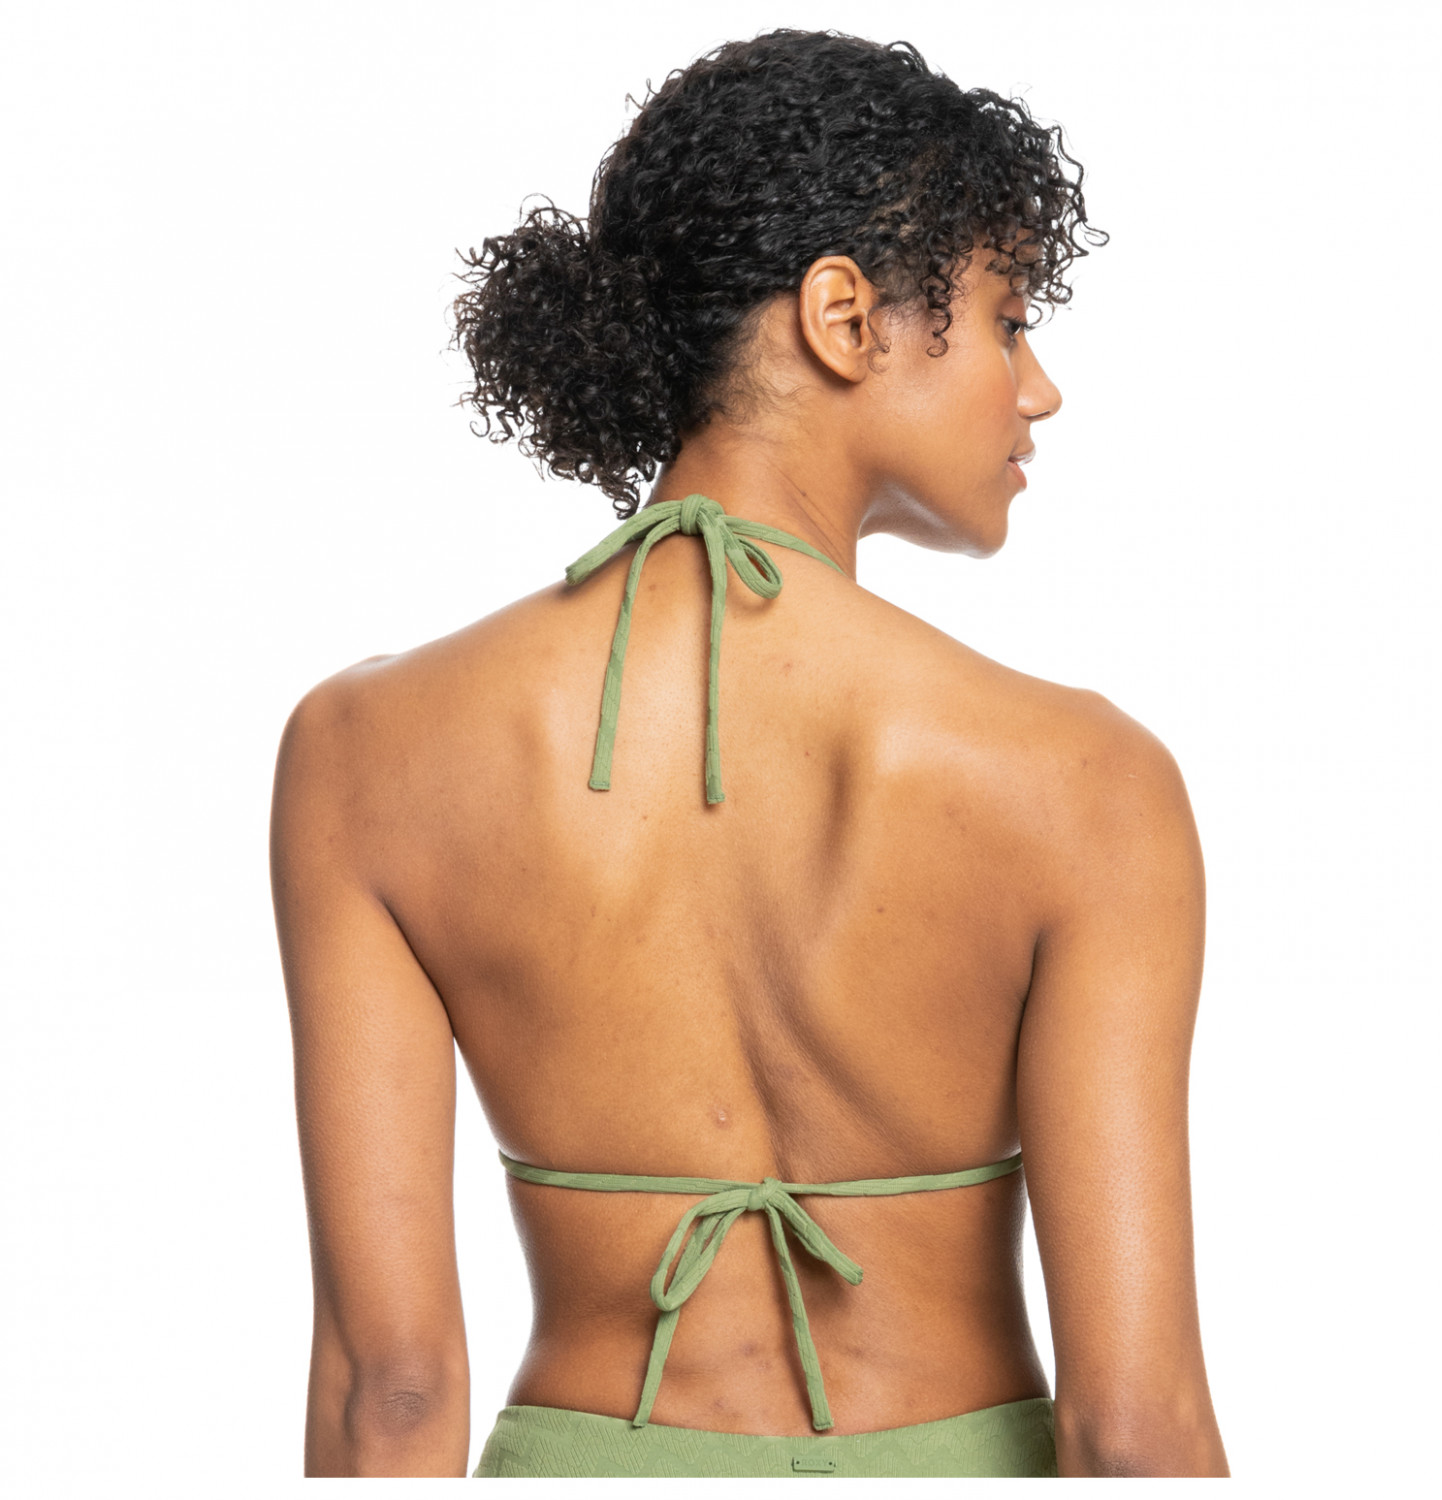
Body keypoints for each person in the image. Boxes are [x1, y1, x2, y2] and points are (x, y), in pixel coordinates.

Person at [271, 29, 1229, 1478]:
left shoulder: (364, 751)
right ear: (844, 317)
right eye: (1008, 319)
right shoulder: (1084, 780)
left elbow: (388, 1392)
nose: (1038, 389)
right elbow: (1136, 1428)